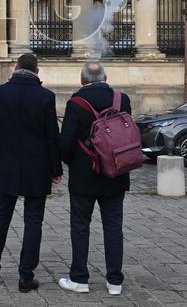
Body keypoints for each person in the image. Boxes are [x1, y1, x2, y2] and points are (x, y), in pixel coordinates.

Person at [0, 53, 62, 293]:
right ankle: (26, 277)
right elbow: (52, 138)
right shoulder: (46, 96)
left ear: (15, 68)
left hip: (6, 166)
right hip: (37, 168)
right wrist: (56, 169)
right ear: (37, 71)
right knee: (33, 221)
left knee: (1, 217)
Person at [57, 60, 131, 297]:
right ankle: (114, 281)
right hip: (116, 173)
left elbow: (65, 144)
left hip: (84, 176)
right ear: (106, 79)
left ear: (82, 80)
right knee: (113, 226)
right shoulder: (122, 100)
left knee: (80, 226)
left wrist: (74, 163)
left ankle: (79, 278)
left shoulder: (76, 103)